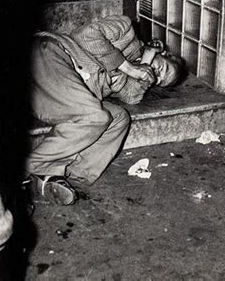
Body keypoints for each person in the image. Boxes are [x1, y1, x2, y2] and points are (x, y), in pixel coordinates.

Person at [24, 15, 184, 205]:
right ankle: (26, 167)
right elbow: (85, 36)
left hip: (50, 96)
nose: (156, 76)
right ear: (164, 53)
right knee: (96, 117)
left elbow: (131, 97)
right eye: (163, 69)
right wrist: (130, 68)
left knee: (119, 118)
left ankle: (61, 176)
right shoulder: (126, 30)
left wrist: (147, 61)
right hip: (48, 56)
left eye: (160, 81)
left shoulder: (135, 78)